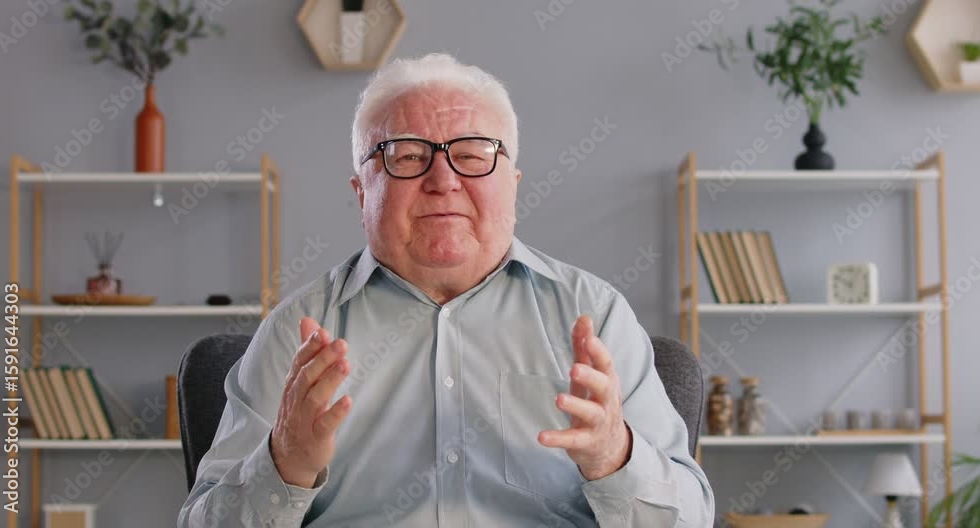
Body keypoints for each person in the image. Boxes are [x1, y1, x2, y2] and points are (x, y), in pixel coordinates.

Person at [178, 52, 714, 527]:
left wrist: (615, 457)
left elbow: (691, 517)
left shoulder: (596, 317)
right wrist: (283, 466)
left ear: (513, 182)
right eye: (407, 155)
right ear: (362, 190)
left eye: (475, 152)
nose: (443, 179)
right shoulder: (298, 336)